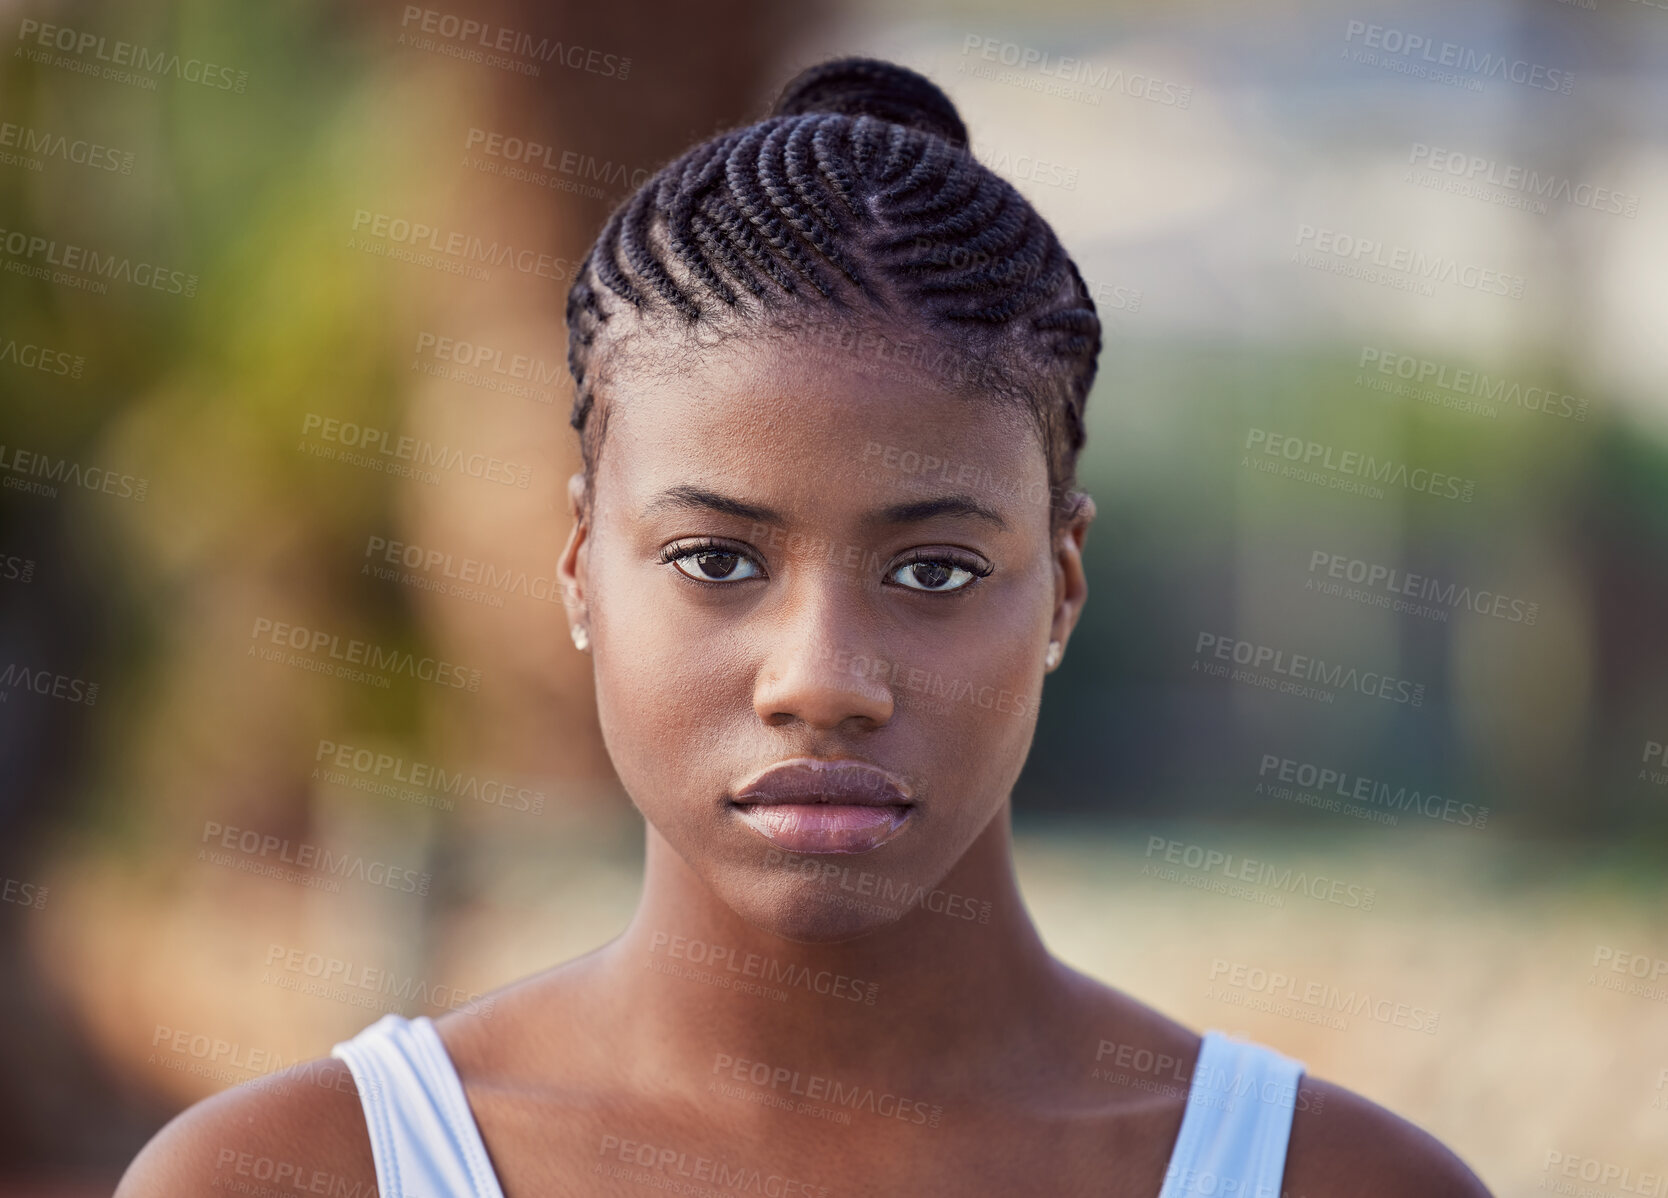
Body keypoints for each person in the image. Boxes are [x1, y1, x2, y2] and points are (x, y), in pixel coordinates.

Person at [117, 56, 1492, 1197]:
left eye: (936, 572)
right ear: (581, 564)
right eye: (717, 557)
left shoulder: (1331, 1179)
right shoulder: (295, 1172)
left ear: (1064, 584)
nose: (822, 679)